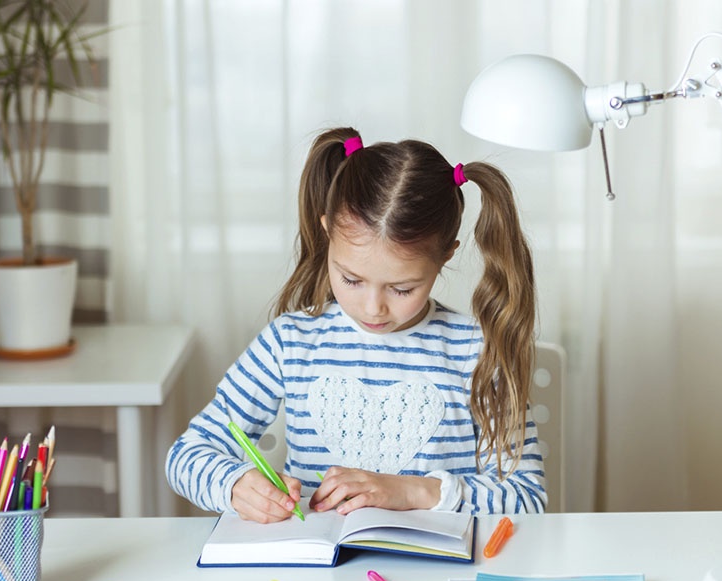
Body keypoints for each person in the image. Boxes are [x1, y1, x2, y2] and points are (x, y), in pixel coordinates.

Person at [166, 127, 545, 523]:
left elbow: (527, 496)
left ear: (446, 255)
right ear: (327, 231)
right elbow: (186, 455)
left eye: (401, 288)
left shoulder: (476, 352)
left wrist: (412, 491)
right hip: (317, 559)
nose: (372, 307)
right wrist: (235, 484)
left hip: (432, 561)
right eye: (351, 279)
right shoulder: (289, 342)